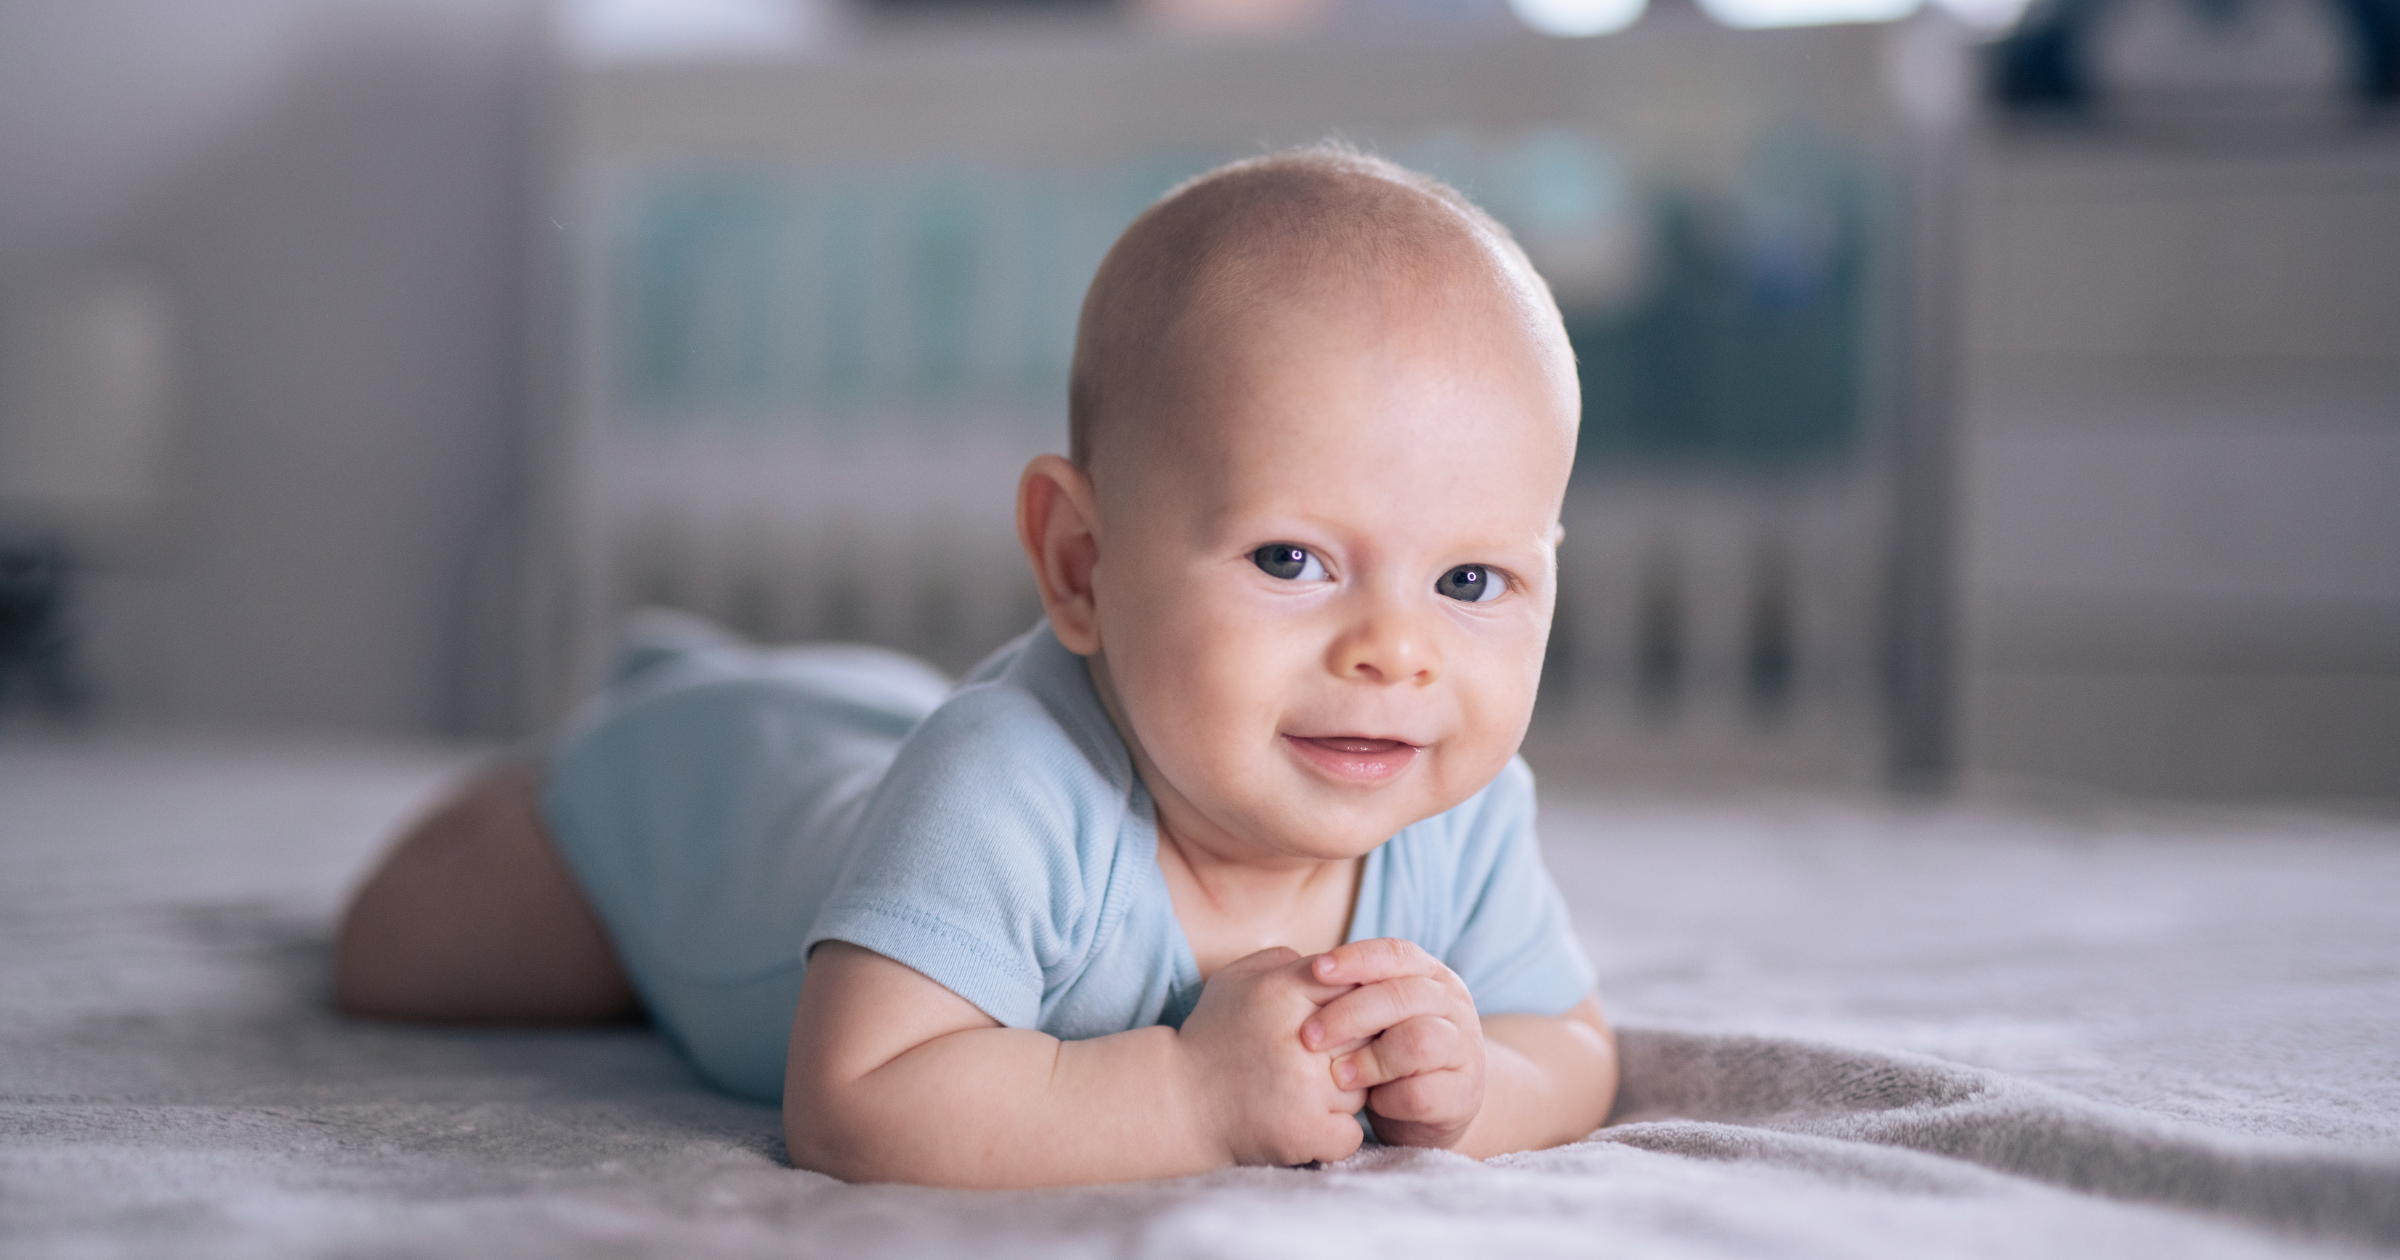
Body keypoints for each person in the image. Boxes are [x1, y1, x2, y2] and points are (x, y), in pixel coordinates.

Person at [334, 145, 1619, 1188]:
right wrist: (1189, 1093)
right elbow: (856, 1099)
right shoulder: (1005, 786)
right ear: (1078, 564)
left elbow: (1569, 1042)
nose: (1395, 652)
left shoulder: (1460, 814)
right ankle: (606, 735)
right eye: (1292, 560)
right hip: (693, 819)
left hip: (879, 746)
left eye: (1470, 583)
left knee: (888, 740)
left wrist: (1472, 1082)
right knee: (396, 958)